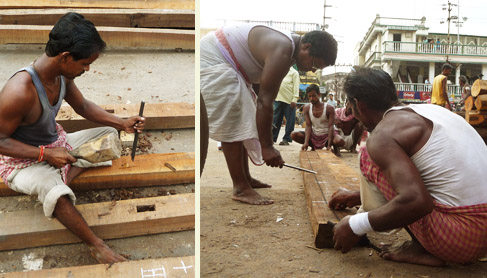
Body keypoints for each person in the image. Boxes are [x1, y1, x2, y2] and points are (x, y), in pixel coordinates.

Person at [0, 13, 145, 264]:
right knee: (54, 191)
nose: (87, 69)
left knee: (110, 136)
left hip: (55, 145)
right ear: (66, 57)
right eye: (85, 63)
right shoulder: (19, 91)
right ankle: (95, 245)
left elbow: (84, 107)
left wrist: (121, 122)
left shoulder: (62, 75)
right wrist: (45, 155)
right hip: (21, 160)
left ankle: (62, 172)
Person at [330, 67, 487, 266]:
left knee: (369, 157)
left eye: (350, 106)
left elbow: (417, 201)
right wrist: (357, 195)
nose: (352, 113)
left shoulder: (383, 133)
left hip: (465, 238)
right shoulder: (430, 111)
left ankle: (420, 247)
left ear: (359, 105)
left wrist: (354, 225)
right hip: (480, 231)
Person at [200, 24, 337, 205]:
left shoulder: (289, 52)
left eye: (316, 69)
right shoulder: (283, 50)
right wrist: (267, 147)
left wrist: (263, 139)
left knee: (242, 118)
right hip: (213, 58)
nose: (312, 70)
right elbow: (265, 102)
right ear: (307, 47)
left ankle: (246, 179)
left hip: (229, 63)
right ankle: (240, 187)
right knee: (233, 120)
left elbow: (259, 96)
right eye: (313, 64)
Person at [291, 84, 344, 156]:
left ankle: (334, 147)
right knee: (294, 135)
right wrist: (306, 143)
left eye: (313, 96)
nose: (311, 98)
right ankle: (313, 147)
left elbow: (331, 126)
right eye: (309, 96)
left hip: (328, 135)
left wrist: (329, 145)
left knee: (340, 141)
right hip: (315, 135)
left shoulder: (329, 108)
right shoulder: (307, 108)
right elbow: (308, 126)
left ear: (319, 94)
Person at [272, 67, 300, 146]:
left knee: (290, 121)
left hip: (289, 101)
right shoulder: (279, 70)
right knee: (275, 120)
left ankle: (286, 139)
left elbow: (296, 86)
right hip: (278, 99)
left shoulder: (294, 73)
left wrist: (294, 99)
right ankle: (272, 138)